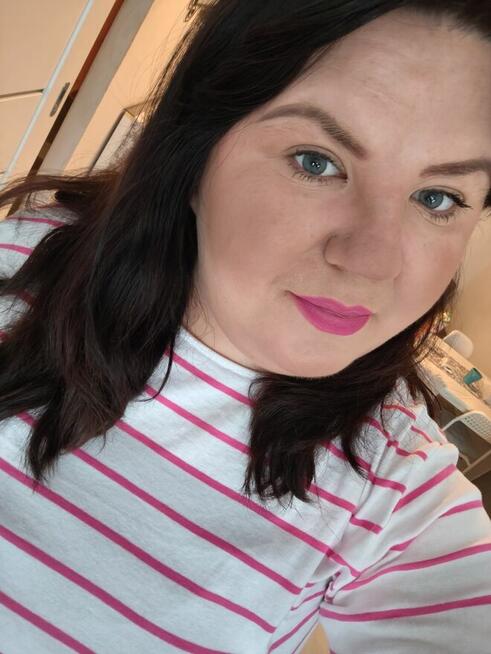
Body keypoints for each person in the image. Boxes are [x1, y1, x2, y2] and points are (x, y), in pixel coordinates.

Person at [0, 1, 490, 652]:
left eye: (437, 198)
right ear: (193, 155)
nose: (370, 261)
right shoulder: (20, 263)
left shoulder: (396, 486)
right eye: (316, 161)